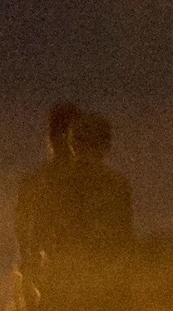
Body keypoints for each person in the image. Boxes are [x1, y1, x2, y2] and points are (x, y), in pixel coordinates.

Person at [13, 103, 136, 274]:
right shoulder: (45, 183)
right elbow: (33, 234)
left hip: (98, 270)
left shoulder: (115, 183)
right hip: (67, 272)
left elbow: (123, 233)